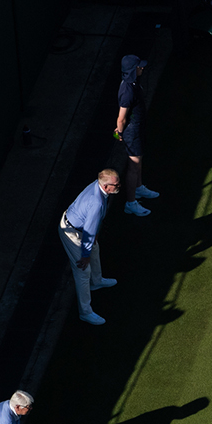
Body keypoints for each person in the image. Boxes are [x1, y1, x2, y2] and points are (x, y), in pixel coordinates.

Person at [59, 169, 120, 325]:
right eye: (116, 184)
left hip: (78, 226)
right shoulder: (96, 203)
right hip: (72, 233)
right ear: (106, 186)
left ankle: (97, 281)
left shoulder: (98, 188)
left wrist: (94, 239)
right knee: (82, 270)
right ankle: (85, 312)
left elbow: (93, 227)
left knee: (95, 248)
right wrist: (84, 256)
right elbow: (88, 232)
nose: (118, 185)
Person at [113, 54, 158, 218]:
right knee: (134, 165)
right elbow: (121, 118)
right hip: (132, 131)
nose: (142, 68)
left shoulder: (132, 83)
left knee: (138, 162)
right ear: (133, 69)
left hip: (137, 128)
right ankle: (130, 203)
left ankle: (138, 188)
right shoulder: (127, 91)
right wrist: (120, 132)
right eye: (139, 66)